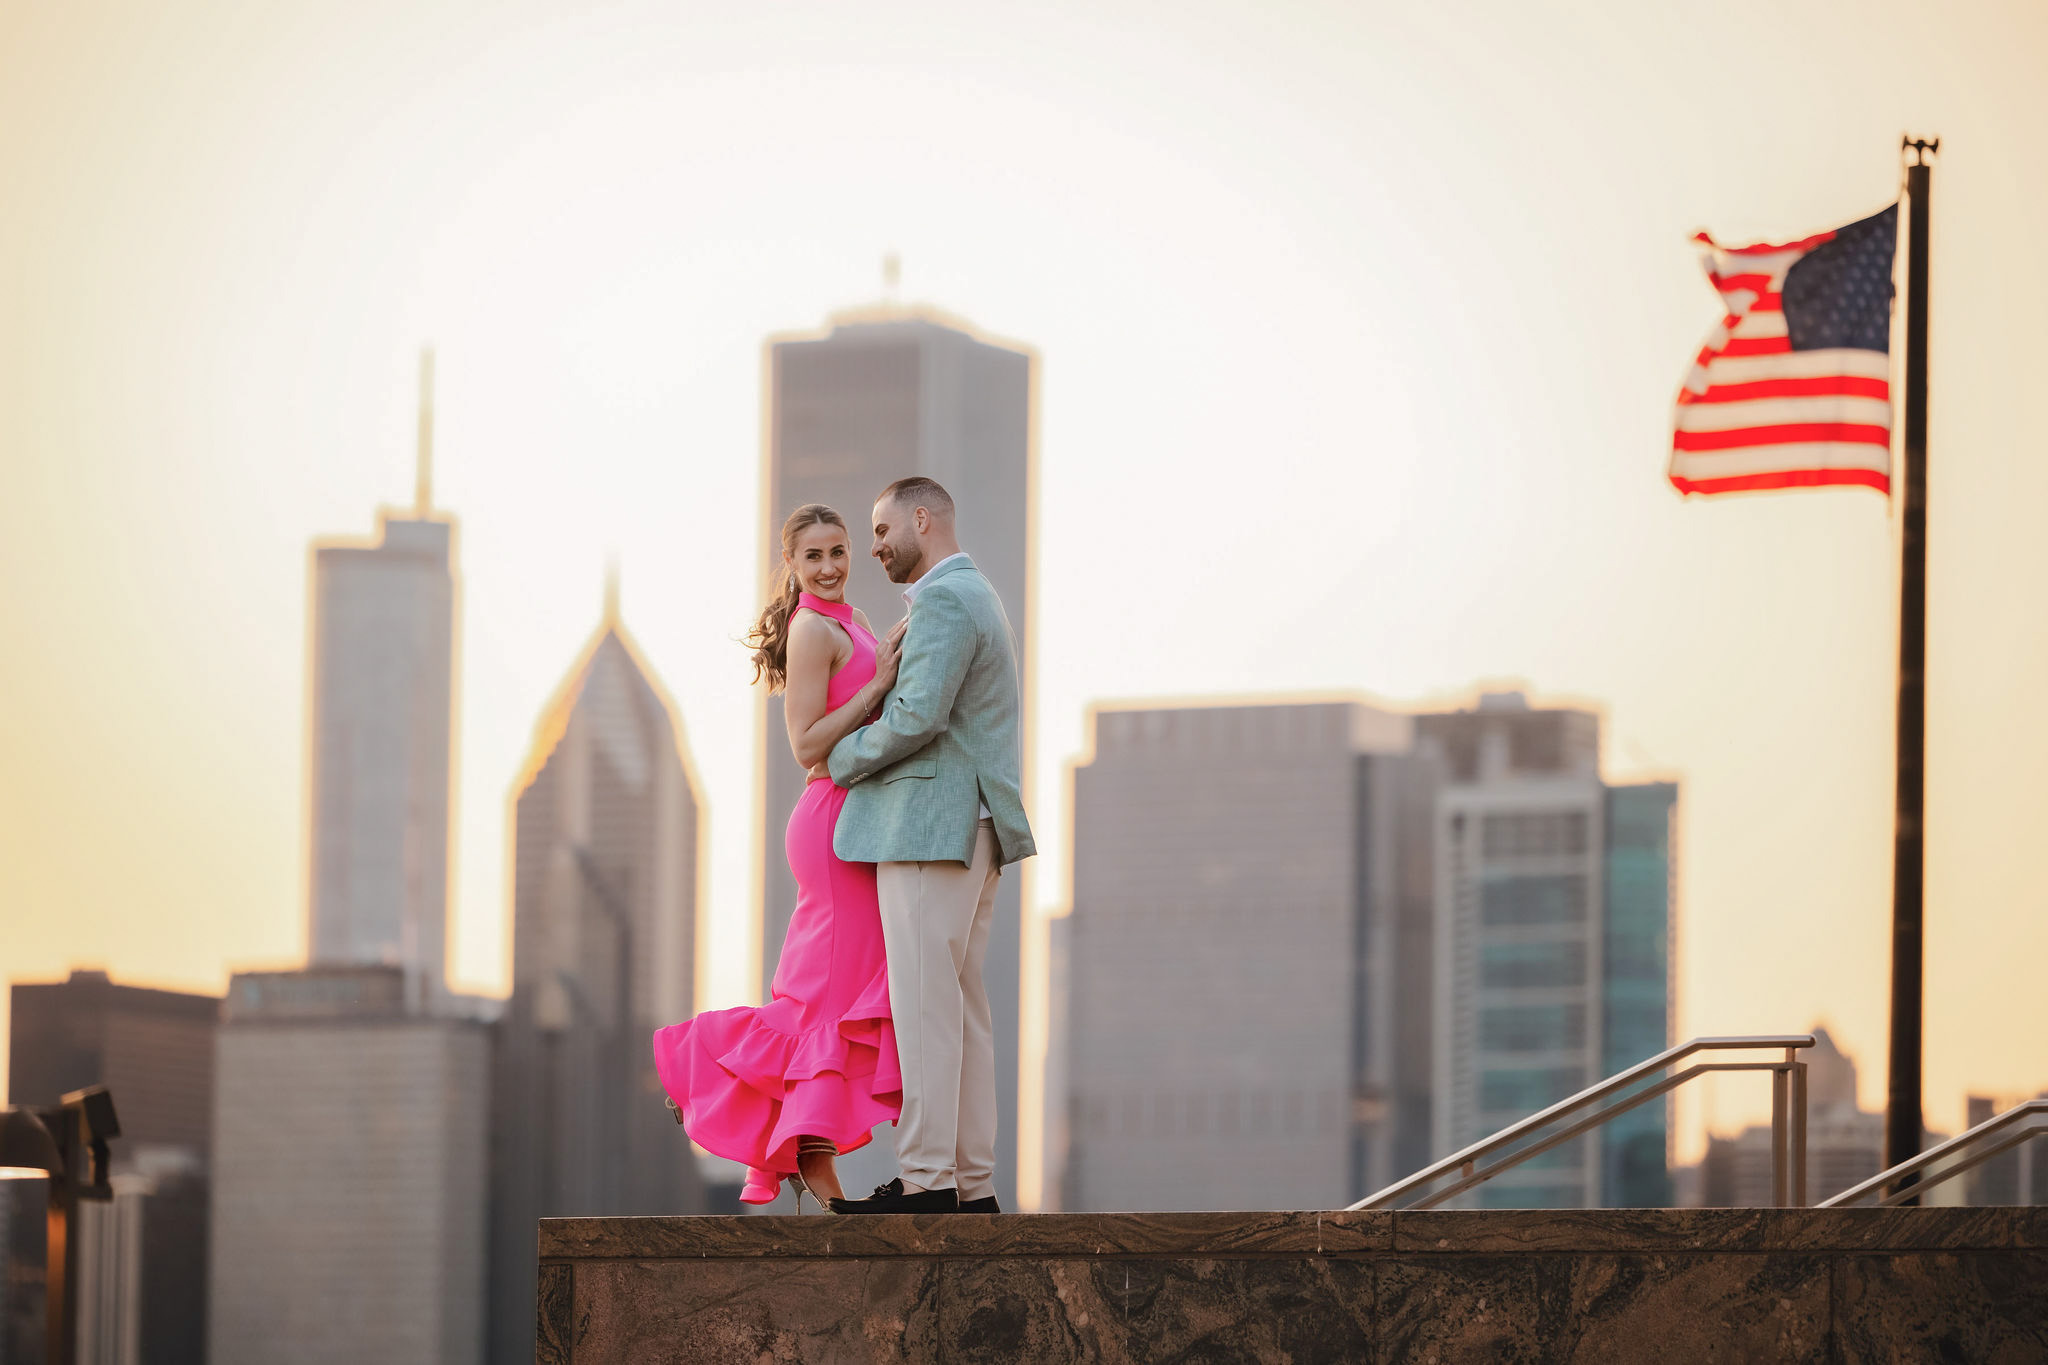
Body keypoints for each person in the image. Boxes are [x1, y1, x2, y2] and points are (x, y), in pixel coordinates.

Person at [650, 503, 907, 1211]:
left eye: (838, 550)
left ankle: (796, 1142)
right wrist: (881, 686)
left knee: (837, 997)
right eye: (813, 556)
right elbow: (805, 742)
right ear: (791, 567)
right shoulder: (810, 628)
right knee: (824, 1002)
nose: (829, 565)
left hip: (858, 822)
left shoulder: (847, 622)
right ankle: (706, 1066)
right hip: (830, 821)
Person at [824, 477, 1035, 1215]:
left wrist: (838, 760)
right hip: (972, 829)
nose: (874, 547)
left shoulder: (946, 599)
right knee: (962, 1012)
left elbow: (917, 715)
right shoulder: (981, 596)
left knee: (925, 1013)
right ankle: (971, 1186)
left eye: (882, 531)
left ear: (922, 518)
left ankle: (925, 1183)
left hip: (931, 830)